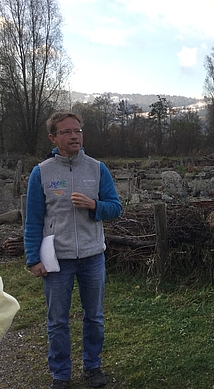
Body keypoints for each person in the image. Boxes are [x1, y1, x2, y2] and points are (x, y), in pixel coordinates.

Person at [24, 112, 122, 389]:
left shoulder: (96, 168)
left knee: (95, 317)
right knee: (57, 320)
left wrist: (94, 206)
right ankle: (60, 374)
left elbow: (115, 207)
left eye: (77, 131)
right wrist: (33, 259)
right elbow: (32, 220)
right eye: (66, 132)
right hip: (57, 260)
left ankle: (92, 367)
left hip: (92, 256)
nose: (74, 136)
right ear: (53, 138)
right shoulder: (41, 172)